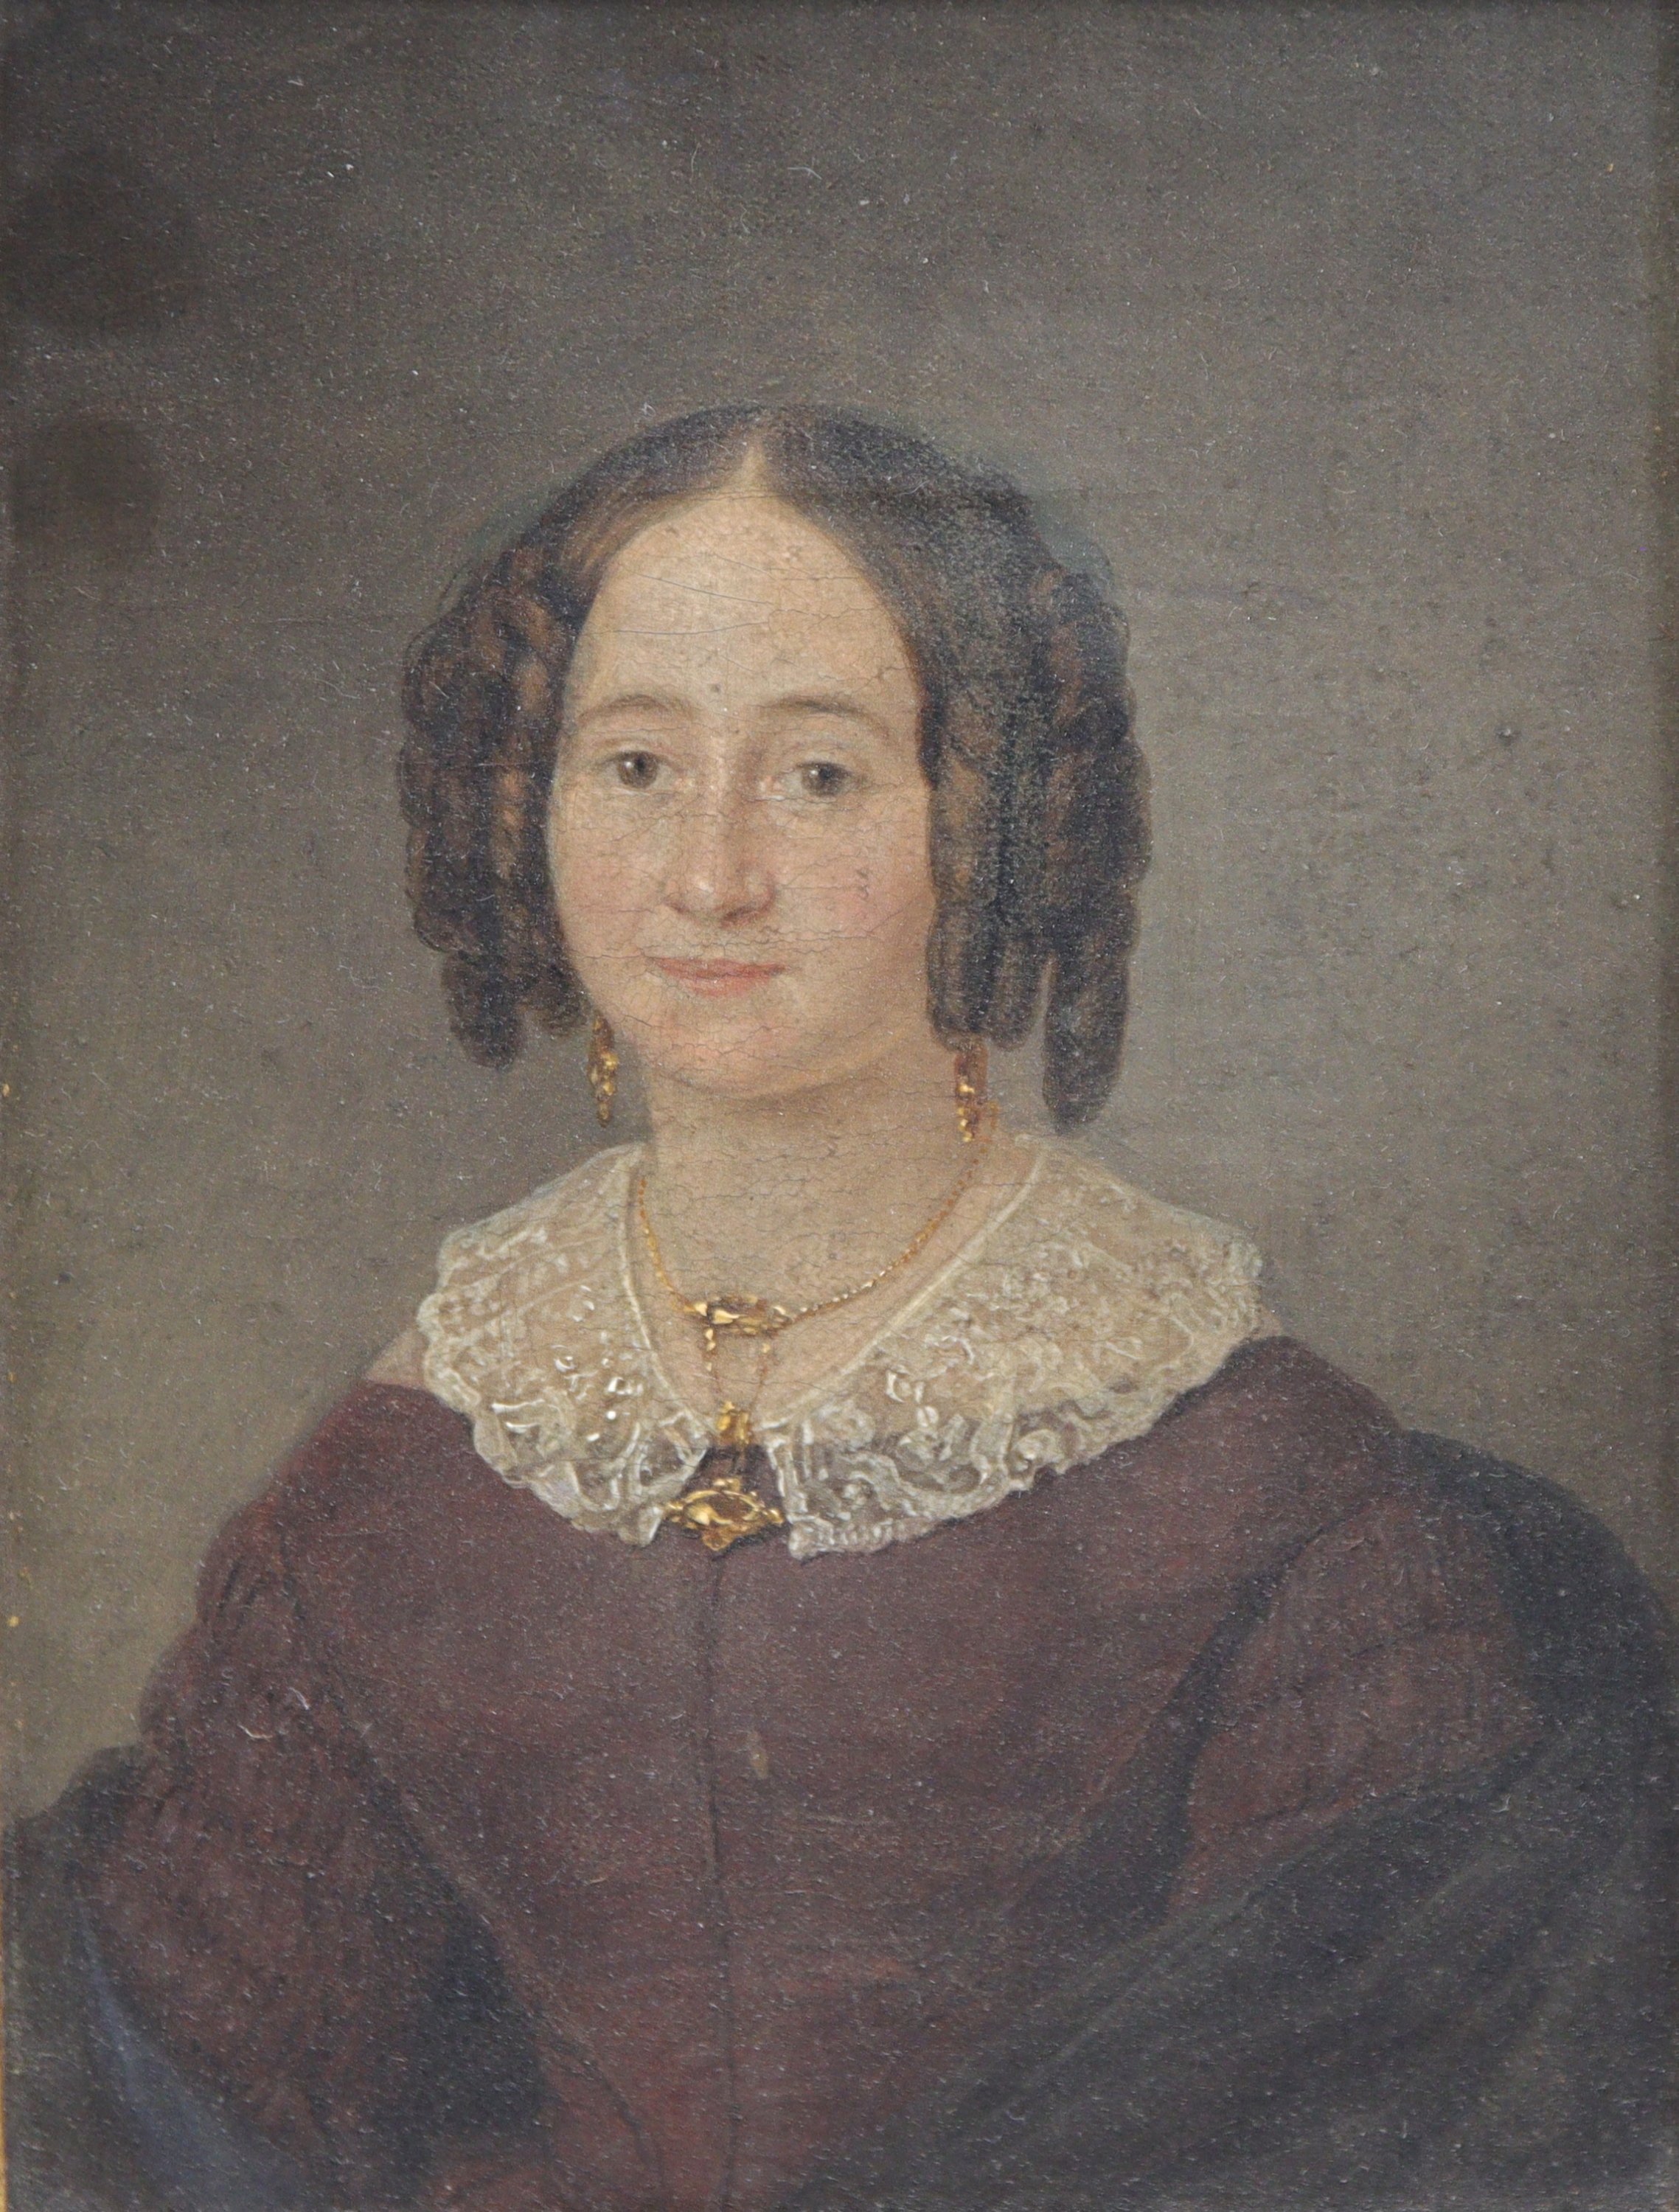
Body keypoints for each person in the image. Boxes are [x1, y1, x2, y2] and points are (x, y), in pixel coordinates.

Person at [7, 406, 1672, 2211]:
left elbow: (1367, 2120)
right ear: (526, 801)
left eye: (816, 775)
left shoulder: (1265, 1476)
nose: (709, 875)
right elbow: (192, 2099)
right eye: (635, 766)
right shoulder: (407, 1460)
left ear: (990, 817)